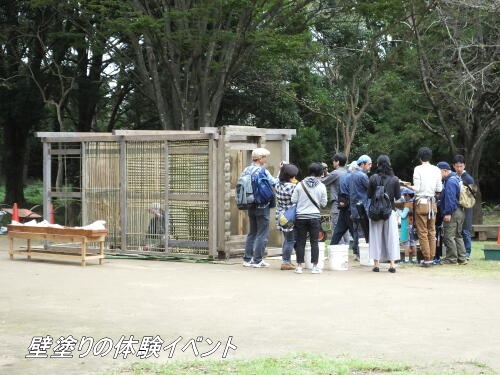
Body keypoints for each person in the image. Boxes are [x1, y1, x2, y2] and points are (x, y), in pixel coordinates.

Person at [242, 148, 279, 268]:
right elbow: (274, 183)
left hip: (250, 204)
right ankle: (257, 260)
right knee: (262, 233)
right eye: (264, 157)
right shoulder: (263, 171)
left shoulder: (246, 170)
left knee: (252, 232)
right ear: (260, 158)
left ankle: (247, 259)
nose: (266, 159)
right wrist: (281, 171)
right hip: (262, 205)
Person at [406, 147, 442, 268]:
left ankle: (426, 258)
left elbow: (417, 188)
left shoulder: (418, 169)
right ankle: (431, 257)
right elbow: (439, 189)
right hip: (432, 203)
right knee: (432, 231)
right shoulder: (436, 169)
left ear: (420, 157)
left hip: (421, 203)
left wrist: (408, 186)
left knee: (422, 232)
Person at [291, 162, 328, 274]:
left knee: (300, 241)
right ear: (320, 173)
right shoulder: (321, 186)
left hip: (301, 217)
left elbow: (293, 200)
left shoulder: (300, 185)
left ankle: (299, 266)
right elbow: (324, 203)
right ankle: (314, 267)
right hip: (314, 217)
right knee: (314, 242)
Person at [367, 155, 401, 273]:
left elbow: (369, 195)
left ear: (378, 164)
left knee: (375, 237)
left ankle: (376, 264)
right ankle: (392, 264)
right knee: (391, 237)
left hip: (375, 212)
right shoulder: (395, 179)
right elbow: (398, 197)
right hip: (389, 211)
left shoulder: (373, 178)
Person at [437, 161, 468, 265]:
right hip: (460, 210)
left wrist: (447, 213)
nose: (438, 176)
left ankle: (451, 259)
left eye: (438, 172)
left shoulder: (450, 181)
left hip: (453, 211)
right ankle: (462, 258)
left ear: (444, 171)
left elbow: (450, 199)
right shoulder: (457, 178)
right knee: (458, 235)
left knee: (449, 236)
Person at [275, 163, 299, 270]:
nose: (294, 177)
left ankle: (287, 260)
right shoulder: (293, 187)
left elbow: (277, 178)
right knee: (290, 240)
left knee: (287, 239)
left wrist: (281, 169)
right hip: (290, 216)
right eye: (293, 176)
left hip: (281, 215)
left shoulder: (277, 185)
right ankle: (285, 262)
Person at [321, 153, 349, 244]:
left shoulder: (335, 173)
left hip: (337, 204)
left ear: (337, 162)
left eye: (334, 161)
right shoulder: (347, 172)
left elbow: (323, 182)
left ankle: (339, 247)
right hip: (347, 204)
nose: (333, 163)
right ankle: (347, 247)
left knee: (336, 227)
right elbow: (332, 177)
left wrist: (314, 177)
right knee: (345, 227)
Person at [349, 154, 372, 260]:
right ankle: (361, 254)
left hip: (354, 208)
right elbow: (371, 190)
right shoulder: (362, 176)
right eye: (369, 164)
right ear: (362, 164)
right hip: (362, 207)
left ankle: (356, 252)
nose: (370, 166)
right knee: (362, 231)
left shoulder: (352, 174)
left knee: (356, 230)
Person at [452, 154, 475, 260]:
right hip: (457, 208)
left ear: (464, 166)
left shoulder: (469, 178)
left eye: (461, 166)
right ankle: (459, 253)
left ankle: (467, 252)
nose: (459, 168)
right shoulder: (453, 177)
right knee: (458, 231)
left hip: (467, 208)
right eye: (457, 166)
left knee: (466, 231)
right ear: (453, 166)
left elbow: (473, 195)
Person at [330, 161, 357, 251]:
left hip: (343, 207)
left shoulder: (344, 177)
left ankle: (332, 249)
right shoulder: (353, 177)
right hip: (350, 208)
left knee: (338, 231)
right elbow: (353, 194)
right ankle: (358, 252)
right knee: (354, 231)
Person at [396, 188, 418, 264]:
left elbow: (403, 215)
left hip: (407, 226)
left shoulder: (407, 205)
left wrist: (398, 210)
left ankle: (406, 260)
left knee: (406, 243)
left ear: (408, 195)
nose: (404, 198)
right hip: (413, 226)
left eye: (404, 196)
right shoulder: (414, 203)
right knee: (413, 243)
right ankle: (414, 260)